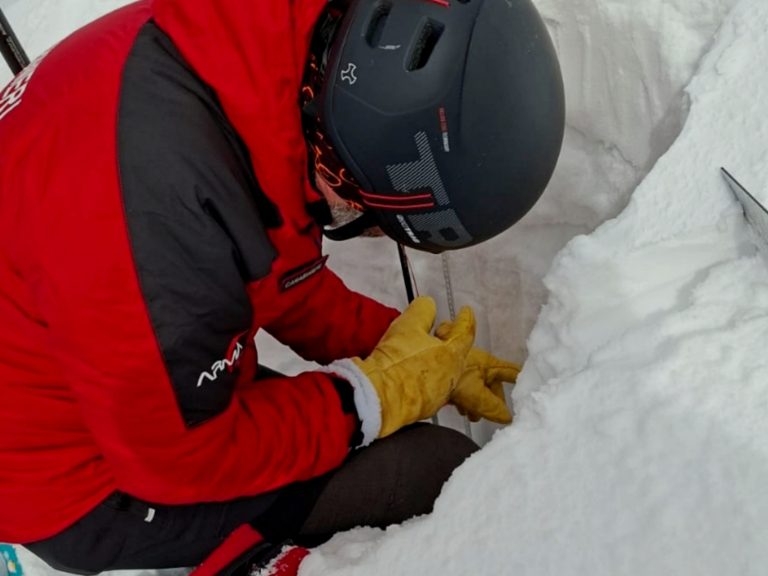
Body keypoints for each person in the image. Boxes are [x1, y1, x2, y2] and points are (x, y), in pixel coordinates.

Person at [0, 0, 564, 574]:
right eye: (361, 216)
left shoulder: (265, 65)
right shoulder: (163, 220)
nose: (358, 230)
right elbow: (180, 457)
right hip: (76, 478)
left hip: (125, 380)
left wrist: (393, 346)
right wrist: (367, 398)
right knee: (430, 471)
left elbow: (271, 263)